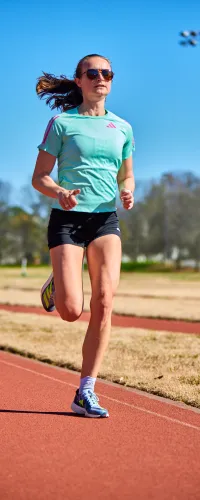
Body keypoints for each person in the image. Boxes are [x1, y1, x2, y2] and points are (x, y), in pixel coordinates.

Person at [32, 53, 135, 418]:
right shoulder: (62, 123)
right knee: (71, 311)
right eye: (92, 73)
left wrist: (127, 190)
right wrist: (58, 190)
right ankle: (58, 284)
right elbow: (39, 177)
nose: (100, 78)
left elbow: (126, 174)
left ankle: (85, 391)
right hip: (68, 219)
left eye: (106, 72)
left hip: (105, 219)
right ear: (79, 81)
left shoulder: (122, 127)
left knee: (104, 302)